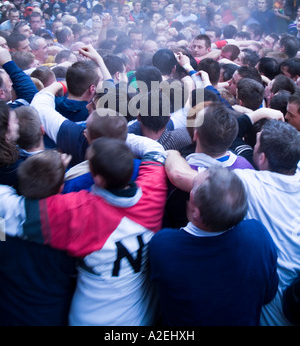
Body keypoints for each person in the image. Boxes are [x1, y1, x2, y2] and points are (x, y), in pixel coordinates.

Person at [0, 134, 168, 326]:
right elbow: (154, 149)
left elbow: (13, 210)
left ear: (97, 179)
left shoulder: (78, 212)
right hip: (143, 315)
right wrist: (118, 136)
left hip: (93, 319)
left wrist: (52, 176)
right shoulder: (154, 189)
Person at [164, 120, 300, 326]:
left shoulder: (247, 183)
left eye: (256, 145)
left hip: (268, 314)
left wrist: (173, 154)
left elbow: (179, 175)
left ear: (262, 158)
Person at [149, 166, 278, 326]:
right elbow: (269, 294)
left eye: (193, 188)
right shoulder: (258, 236)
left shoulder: (164, 246)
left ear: (195, 212)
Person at [0, 151, 77, 326]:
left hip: (7, 313)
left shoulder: (2, 223)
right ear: (60, 189)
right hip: (49, 316)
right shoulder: (67, 232)